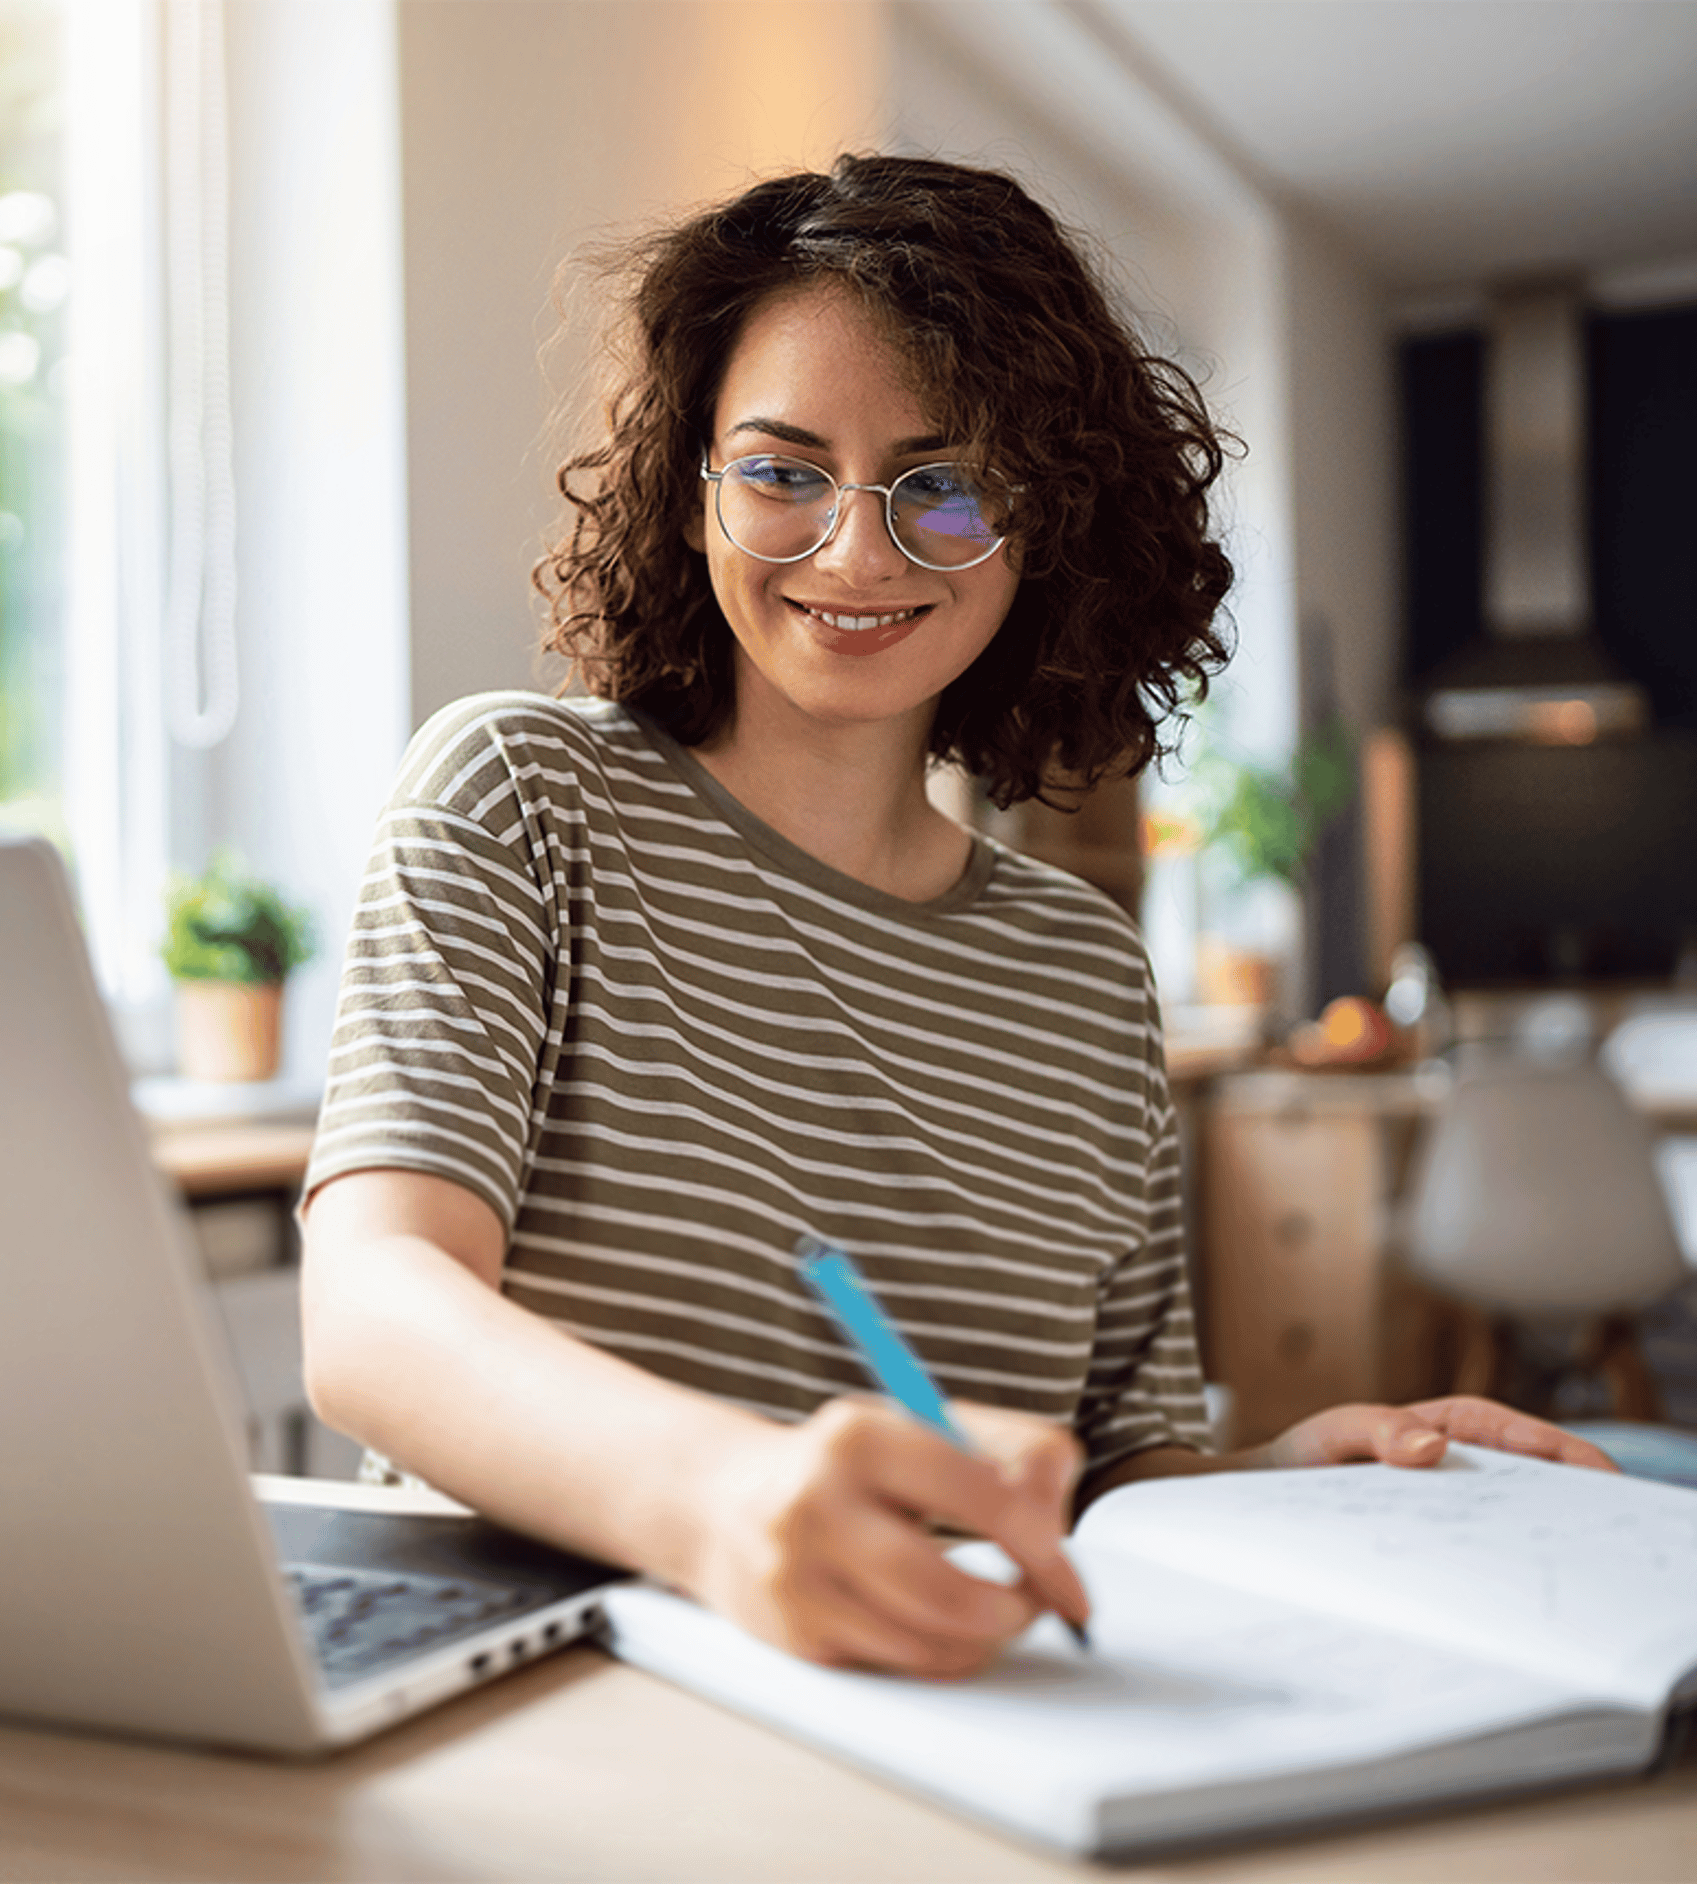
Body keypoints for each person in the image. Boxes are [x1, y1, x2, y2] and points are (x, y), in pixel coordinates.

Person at [298, 153, 1610, 1680]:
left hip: (951, 1710)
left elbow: (1119, 1473)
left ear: (1046, 520)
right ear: (691, 485)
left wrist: (1299, 1481)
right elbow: (377, 1311)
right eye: (785, 470)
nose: (858, 553)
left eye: (946, 484)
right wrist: (724, 1501)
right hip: (548, 1692)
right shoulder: (521, 795)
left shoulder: (1083, 975)